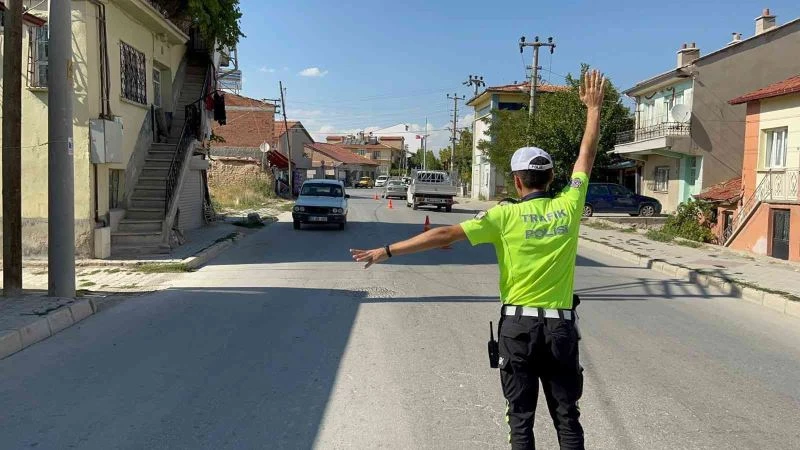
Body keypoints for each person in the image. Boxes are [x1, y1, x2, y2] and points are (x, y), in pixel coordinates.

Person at [350, 70, 605, 449]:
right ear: (551, 178)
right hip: (560, 331)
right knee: (567, 419)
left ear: (517, 181)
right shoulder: (569, 206)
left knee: (520, 420)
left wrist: (387, 251)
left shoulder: (502, 217)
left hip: (518, 328)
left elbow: (443, 235)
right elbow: (586, 155)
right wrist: (593, 110)